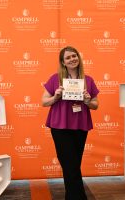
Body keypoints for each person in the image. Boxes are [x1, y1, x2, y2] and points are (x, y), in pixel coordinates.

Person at [42, 46, 99, 200]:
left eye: (74, 56)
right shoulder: (55, 78)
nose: (72, 59)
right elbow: (44, 102)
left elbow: (95, 105)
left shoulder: (88, 80)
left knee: (72, 166)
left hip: (80, 126)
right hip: (59, 126)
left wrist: (87, 100)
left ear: (78, 58)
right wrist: (55, 97)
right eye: (68, 58)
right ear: (63, 62)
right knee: (70, 166)